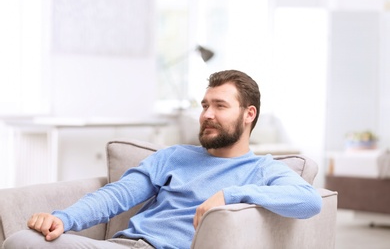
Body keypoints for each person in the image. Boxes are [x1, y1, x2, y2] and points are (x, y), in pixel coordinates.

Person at [2, 69, 322, 249]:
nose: (207, 115)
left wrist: (231, 193)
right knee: (25, 240)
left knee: (22, 245)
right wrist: (64, 219)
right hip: (123, 245)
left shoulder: (262, 170)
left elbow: (310, 201)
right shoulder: (174, 156)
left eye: (220, 106)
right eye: (204, 105)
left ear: (249, 114)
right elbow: (117, 195)